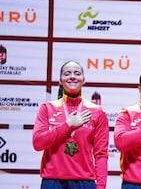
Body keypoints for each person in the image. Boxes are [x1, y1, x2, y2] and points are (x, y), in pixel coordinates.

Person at [32, 60, 109, 189]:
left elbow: (101, 154)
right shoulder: (47, 108)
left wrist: (101, 186)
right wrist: (68, 125)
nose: (72, 76)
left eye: (77, 73)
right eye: (67, 73)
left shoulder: (97, 112)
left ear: (83, 80)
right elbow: (38, 143)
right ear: (60, 81)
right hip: (52, 182)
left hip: (84, 182)